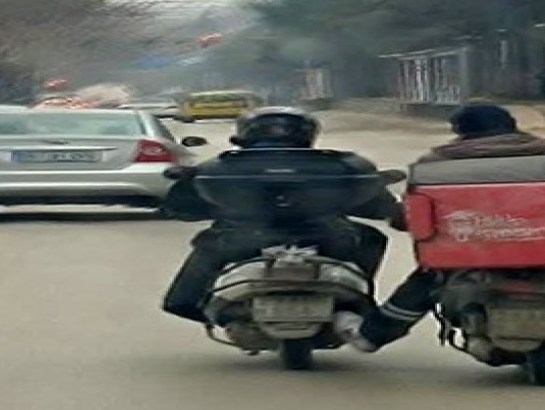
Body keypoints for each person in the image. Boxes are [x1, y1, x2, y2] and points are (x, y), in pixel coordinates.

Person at [337, 104, 545, 353]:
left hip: (468, 253)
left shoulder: (434, 162)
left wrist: (400, 220)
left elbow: (413, 213)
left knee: (426, 282)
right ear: (512, 123)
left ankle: (372, 336)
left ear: (459, 132)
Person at [161, 107, 399, 324]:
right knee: (371, 238)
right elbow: (377, 205)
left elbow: (183, 208)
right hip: (329, 238)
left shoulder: (220, 166)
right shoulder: (336, 165)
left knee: (208, 244)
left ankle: (186, 300)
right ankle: (361, 300)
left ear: (245, 133)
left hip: (241, 241)